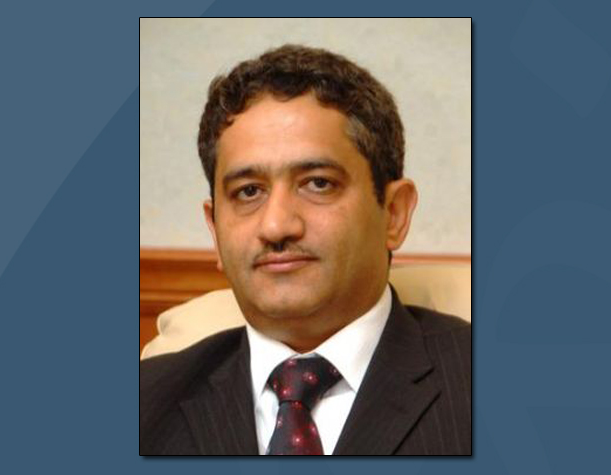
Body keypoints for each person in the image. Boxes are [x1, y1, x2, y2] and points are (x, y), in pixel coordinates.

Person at [140, 44, 471, 455]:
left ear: (394, 214)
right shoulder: (143, 403)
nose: (276, 226)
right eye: (248, 192)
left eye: (318, 183)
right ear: (215, 228)